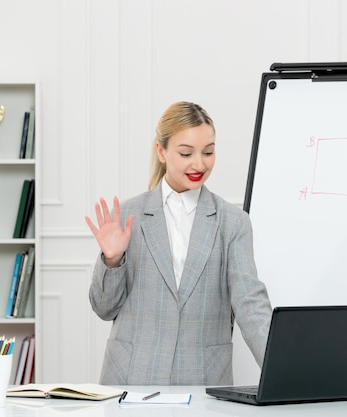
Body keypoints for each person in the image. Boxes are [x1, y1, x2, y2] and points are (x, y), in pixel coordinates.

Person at [85, 101, 272, 386]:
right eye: (186, 153)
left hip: (203, 378)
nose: (200, 164)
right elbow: (103, 309)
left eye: (208, 152)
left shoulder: (234, 222)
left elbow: (250, 303)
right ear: (162, 151)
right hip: (131, 377)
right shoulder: (127, 216)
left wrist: (282, 371)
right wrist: (112, 261)